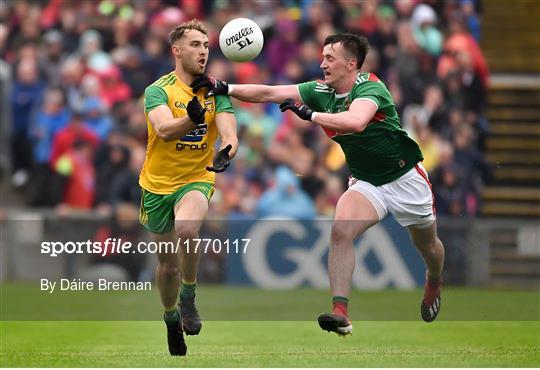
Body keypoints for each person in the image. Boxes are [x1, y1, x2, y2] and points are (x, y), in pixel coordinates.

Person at [192, 33, 444, 336]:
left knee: (427, 246)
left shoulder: (369, 87)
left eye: (330, 58)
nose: (322, 62)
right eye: (323, 56)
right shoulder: (319, 89)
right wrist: (226, 87)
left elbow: (356, 122)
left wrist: (311, 115)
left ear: (351, 64)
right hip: (367, 181)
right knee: (340, 230)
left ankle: (434, 279)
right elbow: (270, 93)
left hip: (404, 179)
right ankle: (341, 313)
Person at [139, 19, 238, 356]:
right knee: (166, 265)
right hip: (157, 185)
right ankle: (170, 318)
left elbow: (228, 131)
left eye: (206, 46)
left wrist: (227, 149)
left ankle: (190, 296)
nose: (203, 51)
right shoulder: (158, 90)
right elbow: (165, 130)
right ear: (176, 50)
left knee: (187, 230)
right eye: (195, 45)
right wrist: (191, 120)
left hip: (197, 177)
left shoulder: (214, 90)